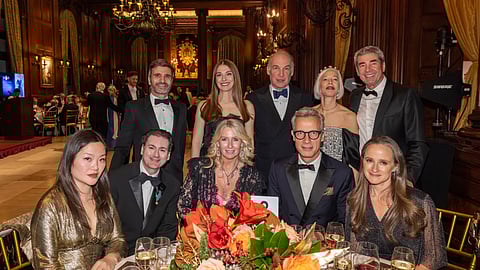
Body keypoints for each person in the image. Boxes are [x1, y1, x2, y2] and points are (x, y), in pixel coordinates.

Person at [345, 136, 447, 269]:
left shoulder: (419, 202)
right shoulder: (354, 199)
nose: (374, 168)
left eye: (383, 163)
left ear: (395, 166)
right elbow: (353, 249)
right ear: (362, 161)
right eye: (369, 160)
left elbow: (433, 258)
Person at [30, 130, 126, 269]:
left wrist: (110, 258)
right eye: (88, 159)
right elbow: (46, 265)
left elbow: (118, 239)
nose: (96, 167)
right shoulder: (50, 206)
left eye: (102, 159)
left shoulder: (102, 196)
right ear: (70, 159)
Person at [350, 46, 428, 184]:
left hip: (394, 177)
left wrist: (407, 179)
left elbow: (418, 143)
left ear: (383, 66)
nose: (368, 70)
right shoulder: (354, 96)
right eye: (362, 65)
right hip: (362, 175)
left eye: (373, 63)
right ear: (357, 71)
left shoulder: (405, 95)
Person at [267, 107, 354, 226]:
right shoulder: (278, 169)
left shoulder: (342, 173)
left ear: (323, 136)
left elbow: (345, 221)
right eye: (300, 133)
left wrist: (321, 235)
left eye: (313, 133)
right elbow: (271, 216)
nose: (306, 140)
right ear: (293, 135)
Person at [110, 59, 187, 182]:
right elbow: (122, 148)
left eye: (167, 76)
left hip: (173, 180)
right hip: (142, 178)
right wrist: (112, 179)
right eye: (157, 76)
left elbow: (180, 148)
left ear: (172, 80)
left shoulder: (181, 108)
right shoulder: (134, 108)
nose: (162, 80)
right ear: (149, 79)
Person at [109, 129, 180, 255]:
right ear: (142, 149)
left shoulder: (172, 185)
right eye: (151, 148)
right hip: (118, 253)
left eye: (162, 150)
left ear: (168, 156)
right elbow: (107, 224)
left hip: (153, 254)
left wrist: (159, 255)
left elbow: (168, 227)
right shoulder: (116, 178)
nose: (156, 155)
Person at [178, 118, 264, 219]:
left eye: (235, 139)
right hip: (200, 232)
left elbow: (254, 215)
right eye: (224, 139)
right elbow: (183, 207)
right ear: (217, 143)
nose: (230, 145)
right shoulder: (200, 168)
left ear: (242, 143)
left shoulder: (252, 177)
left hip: (238, 233)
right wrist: (203, 227)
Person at [247, 50, 313, 181]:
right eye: (276, 68)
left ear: (292, 72)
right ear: (268, 70)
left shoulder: (305, 98)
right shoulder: (253, 99)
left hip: (295, 171)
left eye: (286, 69)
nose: (281, 74)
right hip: (263, 171)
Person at [191, 59, 255, 157]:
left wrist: (245, 167)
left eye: (228, 74)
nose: (224, 79)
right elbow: (197, 141)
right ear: (215, 79)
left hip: (237, 165)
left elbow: (250, 142)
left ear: (235, 77)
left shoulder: (246, 106)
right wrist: (194, 168)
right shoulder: (204, 106)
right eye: (219, 75)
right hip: (208, 164)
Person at [313, 66, 360, 172]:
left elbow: (354, 158)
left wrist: (355, 186)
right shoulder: (309, 114)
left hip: (338, 176)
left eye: (335, 79)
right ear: (319, 86)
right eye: (325, 79)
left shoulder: (349, 117)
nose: (330, 82)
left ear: (339, 87)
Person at [107, 85, 121, 149]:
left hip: (114, 113)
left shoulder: (114, 97)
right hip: (112, 113)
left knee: (114, 128)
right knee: (113, 128)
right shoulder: (111, 98)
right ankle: (112, 144)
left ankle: (113, 144)